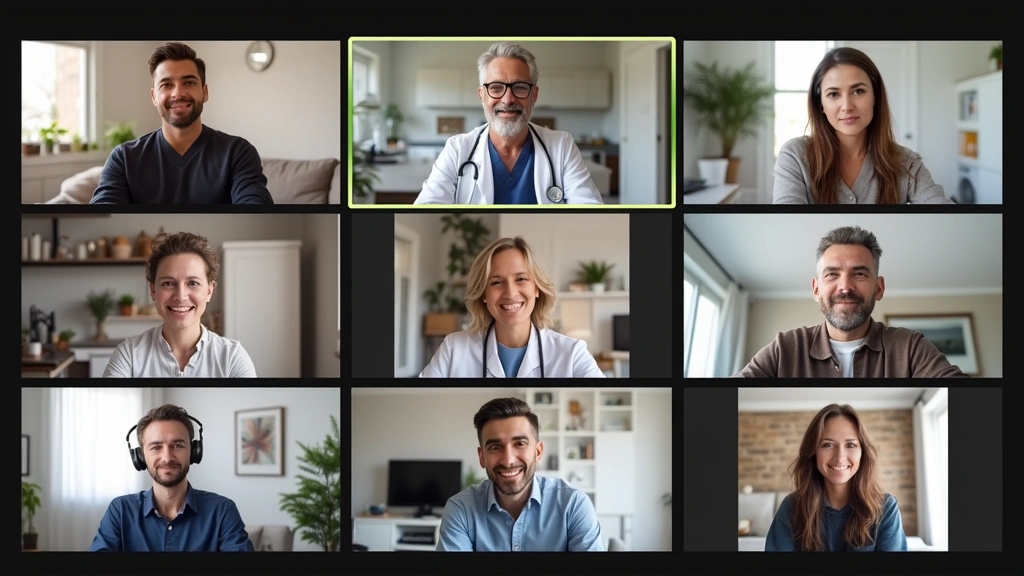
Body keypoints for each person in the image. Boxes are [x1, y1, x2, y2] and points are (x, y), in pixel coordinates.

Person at [733, 226, 968, 378]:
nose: (845, 286)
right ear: (816, 289)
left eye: (859, 274)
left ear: (879, 287)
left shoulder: (910, 347)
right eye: (832, 274)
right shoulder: (785, 348)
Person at [414, 43, 603, 205]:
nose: (508, 99)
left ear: (534, 95)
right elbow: (428, 205)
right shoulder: (457, 149)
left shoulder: (561, 146)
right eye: (496, 87)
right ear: (482, 95)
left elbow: (589, 206)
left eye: (519, 87)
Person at [91, 42, 274, 204]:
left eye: (188, 82)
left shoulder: (238, 152)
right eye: (166, 85)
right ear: (154, 96)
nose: (177, 93)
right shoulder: (123, 158)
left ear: (205, 92)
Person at [773, 47, 953, 204]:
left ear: (876, 97)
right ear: (820, 104)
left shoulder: (906, 162)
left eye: (858, 91)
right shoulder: (795, 156)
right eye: (834, 94)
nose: (847, 106)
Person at [419, 237, 606, 378]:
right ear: (483, 294)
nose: (510, 293)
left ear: (537, 289)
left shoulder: (572, 353)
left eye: (521, 279)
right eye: (496, 282)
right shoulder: (454, 349)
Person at [437, 398, 605, 551]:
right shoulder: (461, 509)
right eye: (495, 447)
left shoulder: (573, 504)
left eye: (519, 443)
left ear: (538, 452)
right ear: (482, 457)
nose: (508, 460)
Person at [88, 405, 254, 551]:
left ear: (194, 451)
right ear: (140, 456)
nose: (167, 458)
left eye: (177, 445)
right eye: (156, 447)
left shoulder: (222, 511)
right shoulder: (120, 510)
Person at [103, 232, 257, 377]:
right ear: (153, 290)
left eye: (193, 283)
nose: (180, 296)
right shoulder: (128, 355)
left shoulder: (232, 358)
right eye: (168, 283)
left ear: (209, 291)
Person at [765, 404, 908, 552]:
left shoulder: (885, 508)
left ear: (863, 453)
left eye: (851, 445)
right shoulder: (791, 507)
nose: (840, 457)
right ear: (814, 452)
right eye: (828, 445)